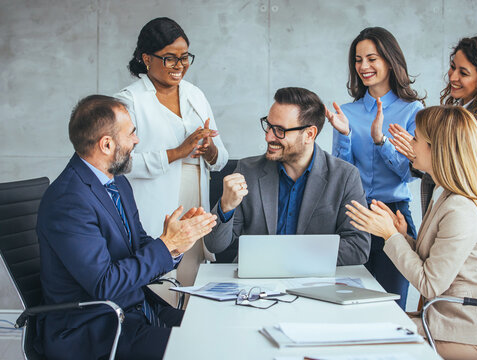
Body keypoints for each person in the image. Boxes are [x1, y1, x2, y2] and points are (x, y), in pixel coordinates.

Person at [36, 95, 217, 360]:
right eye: (131, 133)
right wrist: (164, 246)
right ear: (107, 144)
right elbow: (105, 284)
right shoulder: (68, 200)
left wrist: (176, 244)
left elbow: (137, 247)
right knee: (203, 350)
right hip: (95, 329)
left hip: (135, 310)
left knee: (219, 329)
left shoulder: (117, 183)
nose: (136, 140)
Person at [346, 106, 477, 360]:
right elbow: (436, 260)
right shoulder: (444, 194)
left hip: (468, 337)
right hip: (448, 323)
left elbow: (430, 284)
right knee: (363, 325)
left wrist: (391, 236)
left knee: (363, 343)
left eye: (416, 139)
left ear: (437, 149)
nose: (410, 144)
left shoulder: (461, 209)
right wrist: (403, 236)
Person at [389, 33, 477, 283]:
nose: (452, 77)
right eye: (453, 67)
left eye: (463, 72)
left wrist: (426, 158)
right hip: (460, 237)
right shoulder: (467, 110)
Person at [115, 17, 229, 289]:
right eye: (169, 58)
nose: (180, 66)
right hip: (156, 205)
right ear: (146, 58)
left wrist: (210, 150)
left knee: (192, 284)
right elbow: (121, 164)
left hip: (195, 201)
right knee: (159, 283)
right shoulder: (129, 100)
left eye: (185, 57)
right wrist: (178, 152)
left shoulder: (195, 95)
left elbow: (222, 158)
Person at [204, 87, 371, 265]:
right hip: (255, 283)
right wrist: (226, 206)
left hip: (315, 283)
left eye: (280, 130)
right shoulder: (247, 170)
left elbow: (357, 247)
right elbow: (215, 245)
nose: (269, 137)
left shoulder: (344, 176)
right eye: (268, 126)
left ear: (309, 134)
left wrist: (286, 256)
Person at [325, 27, 424, 309]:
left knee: (390, 305)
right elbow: (341, 174)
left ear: (390, 61)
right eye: (358, 59)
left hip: (393, 216)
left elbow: (409, 172)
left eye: (372, 58)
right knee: (348, 303)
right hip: (354, 215)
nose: (364, 67)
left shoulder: (412, 110)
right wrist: (344, 135)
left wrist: (381, 141)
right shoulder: (348, 111)